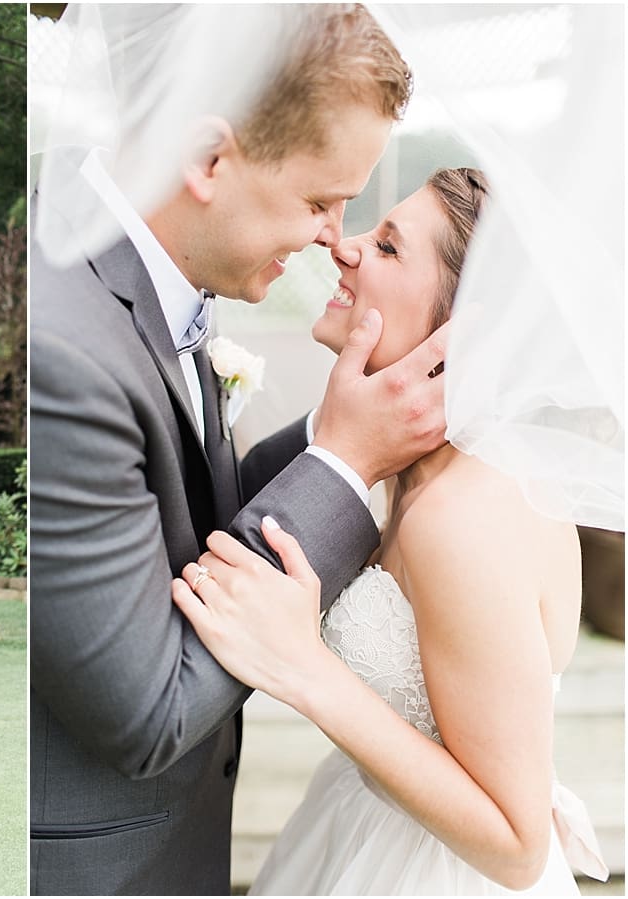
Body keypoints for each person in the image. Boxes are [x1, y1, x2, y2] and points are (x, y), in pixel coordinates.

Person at [30, 5, 452, 894]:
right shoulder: (62, 353)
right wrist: (342, 465)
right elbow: (150, 710)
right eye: (319, 200)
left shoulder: (159, 266)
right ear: (210, 160)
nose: (335, 238)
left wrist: (333, 432)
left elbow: (189, 515)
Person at [173, 169, 610, 894]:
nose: (345, 249)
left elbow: (517, 844)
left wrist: (307, 668)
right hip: (360, 831)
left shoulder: (463, 516)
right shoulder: (417, 475)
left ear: (460, 326)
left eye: (387, 246)